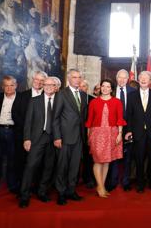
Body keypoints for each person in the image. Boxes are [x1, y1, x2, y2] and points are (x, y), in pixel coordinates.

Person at [18, 77, 58, 208]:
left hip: (53, 139)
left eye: (51, 85)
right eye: (45, 85)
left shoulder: (60, 101)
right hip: (36, 138)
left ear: (56, 87)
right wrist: (27, 138)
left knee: (48, 167)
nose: (48, 87)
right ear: (43, 86)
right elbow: (28, 122)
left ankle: (42, 192)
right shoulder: (34, 101)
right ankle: (24, 196)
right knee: (30, 167)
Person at [52, 69, 88, 205]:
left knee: (75, 166)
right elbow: (55, 118)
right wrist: (57, 137)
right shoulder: (61, 94)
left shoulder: (84, 95)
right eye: (74, 77)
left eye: (79, 77)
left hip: (79, 137)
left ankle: (71, 191)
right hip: (64, 137)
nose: (77, 80)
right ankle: (61, 193)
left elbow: (83, 117)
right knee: (62, 166)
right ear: (68, 79)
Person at [86, 79, 126, 198]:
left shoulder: (117, 102)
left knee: (107, 161)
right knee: (98, 160)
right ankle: (100, 187)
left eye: (108, 86)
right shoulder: (93, 102)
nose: (105, 88)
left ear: (111, 89)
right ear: (100, 88)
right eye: (103, 86)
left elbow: (120, 119)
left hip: (112, 133)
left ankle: (101, 186)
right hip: (97, 133)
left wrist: (119, 134)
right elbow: (89, 121)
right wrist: (89, 136)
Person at [0, 76, 26, 197]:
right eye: (6, 85)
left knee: (13, 161)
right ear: (2, 86)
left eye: (12, 85)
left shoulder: (23, 98)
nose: (9, 88)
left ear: (16, 86)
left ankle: (13, 186)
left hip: (14, 132)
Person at [124, 71, 151, 192]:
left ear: (150, 81)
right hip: (137, 132)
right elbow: (128, 115)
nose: (144, 80)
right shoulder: (131, 95)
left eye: (146, 78)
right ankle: (140, 184)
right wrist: (128, 131)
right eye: (141, 78)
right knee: (139, 159)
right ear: (138, 80)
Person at [106, 69, 135, 191]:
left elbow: (135, 113)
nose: (122, 80)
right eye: (120, 77)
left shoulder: (134, 92)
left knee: (128, 157)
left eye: (124, 78)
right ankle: (112, 181)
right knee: (113, 156)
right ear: (116, 78)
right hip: (112, 129)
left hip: (128, 129)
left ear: (128, 79)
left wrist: (131, 129)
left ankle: (126, 181)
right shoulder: (110, 92)